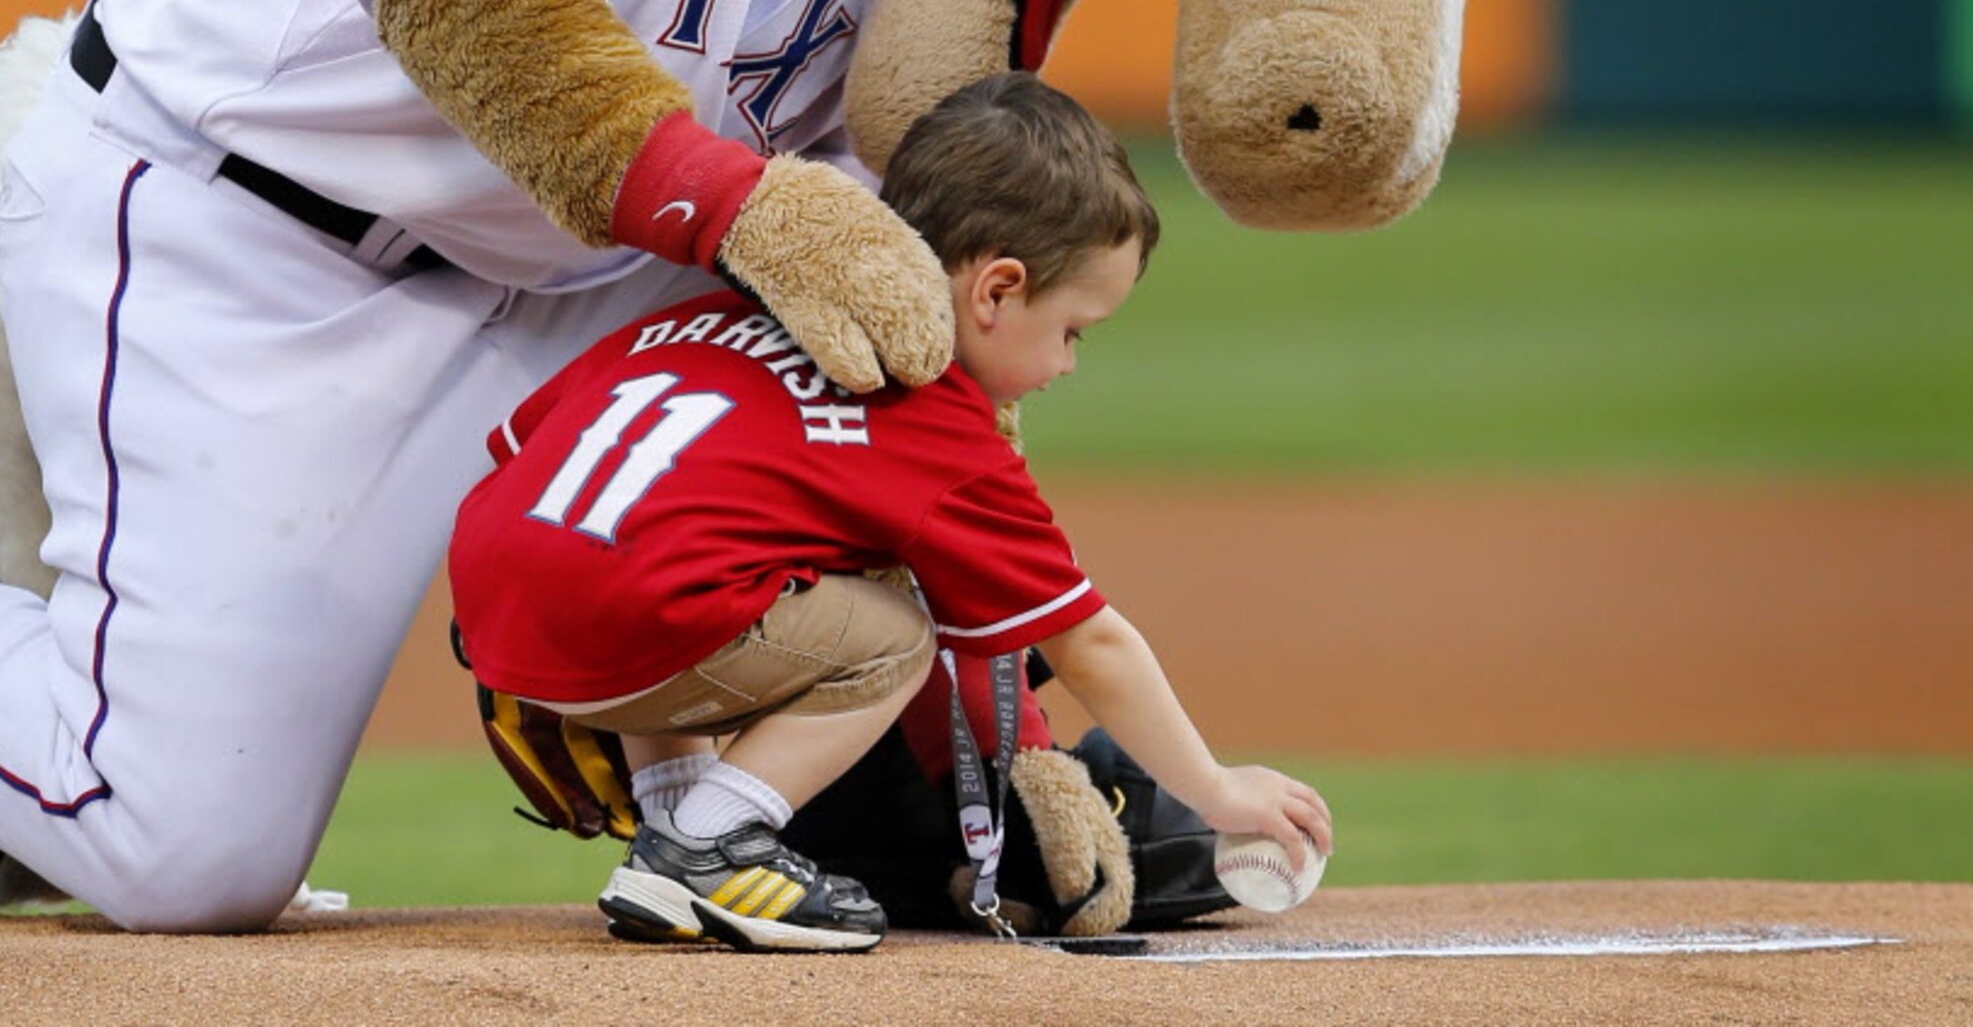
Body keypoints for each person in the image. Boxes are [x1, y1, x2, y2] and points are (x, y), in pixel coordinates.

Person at [448, 72, 1334, 952]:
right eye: (1072, 329)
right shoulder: (928, 409)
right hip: (634, 617)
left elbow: (518, 449)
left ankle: (674, 818)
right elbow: (1086, 643)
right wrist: (1217, 790)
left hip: (494, 602)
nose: (1067, 363)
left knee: (705, 554)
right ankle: (705, 845)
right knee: (894, 633)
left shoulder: (717, 316)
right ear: (995, 290)